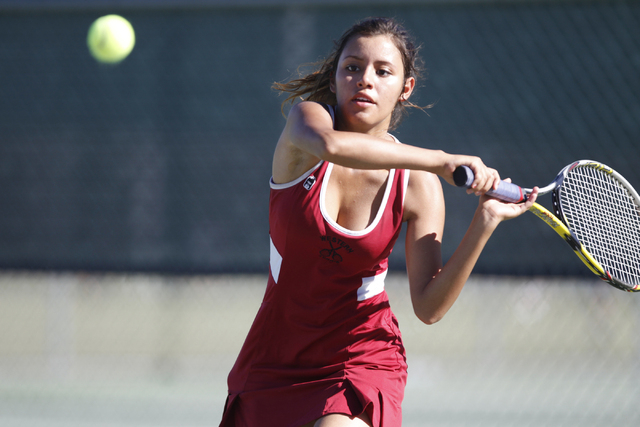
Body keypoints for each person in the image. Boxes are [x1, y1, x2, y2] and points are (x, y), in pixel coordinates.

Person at [219, 17, 538, 427]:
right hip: (273, 360)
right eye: (351, 67)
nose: (365, 79)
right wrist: (441, 160)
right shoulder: (307, 125)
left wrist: (485, 222)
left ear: (405, 89)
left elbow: (429, 306)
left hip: (360, 356)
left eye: (382, 71)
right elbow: (333, 147)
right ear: (334, 80)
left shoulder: (418, 185)